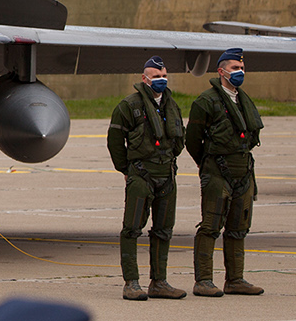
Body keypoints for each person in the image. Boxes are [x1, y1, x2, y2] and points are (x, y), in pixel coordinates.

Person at [185, 47, 265, 297]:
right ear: (221, 72)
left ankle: (235, 279)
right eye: (234, 69)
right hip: (217, 171)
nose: (240, 72)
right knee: (210, 225)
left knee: (238, 227)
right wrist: (208, 164)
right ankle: (204, 280)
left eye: (241, 68)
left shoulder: (243, 100)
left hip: (243, 171)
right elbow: (192, 141)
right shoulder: (206, 102)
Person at [107, 56, 187, 301]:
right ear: (144, 78)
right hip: (141, 175)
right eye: (156, 76)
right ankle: (131, 282)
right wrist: (127, 170)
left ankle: (159, 282)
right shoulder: (129, 106)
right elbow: (115, 142)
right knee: (132, 229)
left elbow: (179, 138)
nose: (161, 80)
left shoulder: (172, 105)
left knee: (164, 230)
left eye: (164, 75)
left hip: (166, 175)